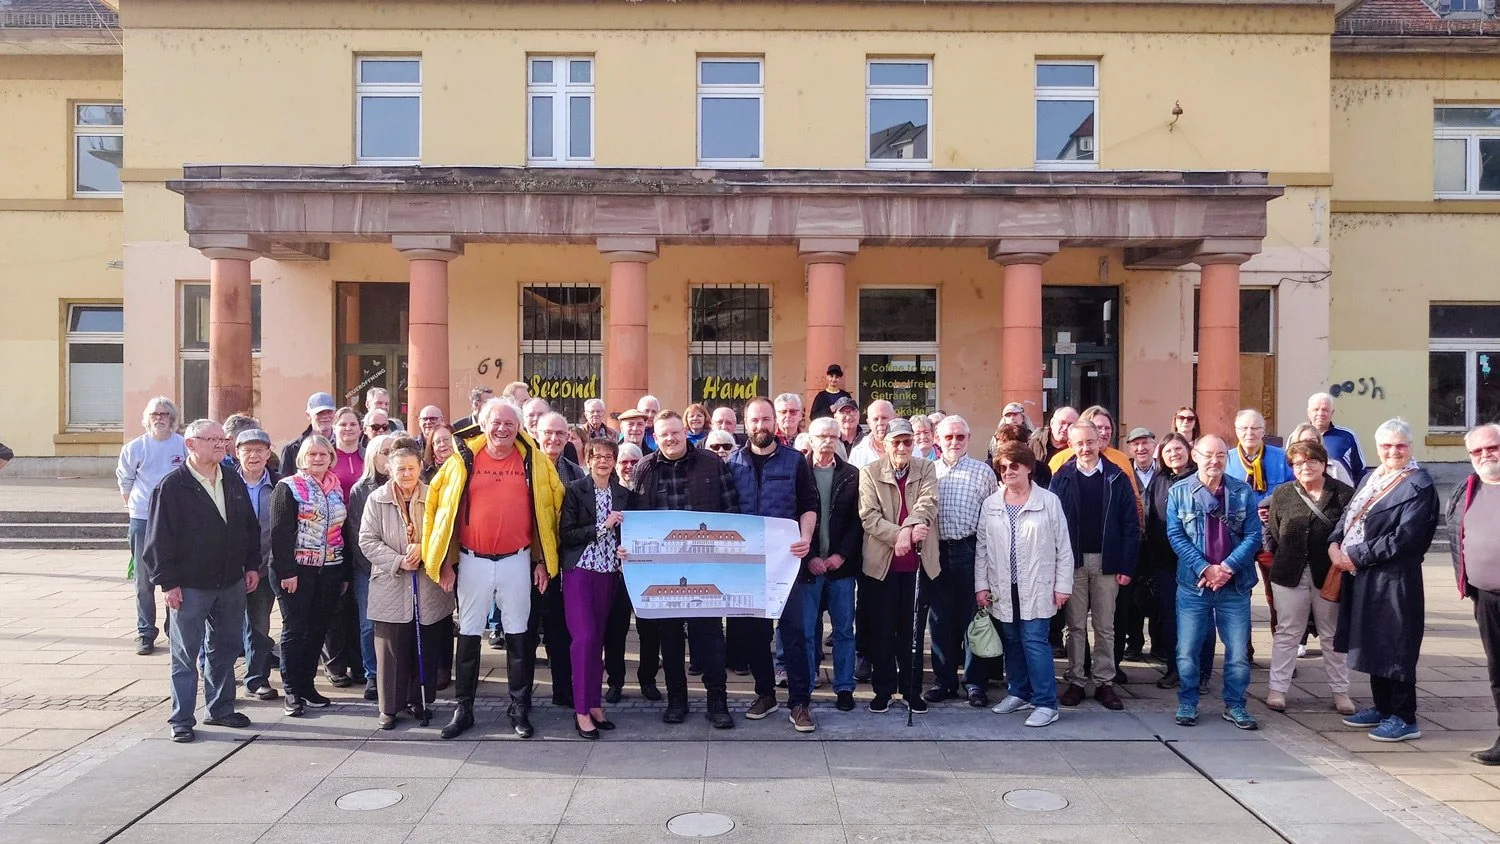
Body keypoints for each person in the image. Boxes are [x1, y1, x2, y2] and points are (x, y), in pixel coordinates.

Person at [423, 398, 564, 740]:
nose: (502, 429)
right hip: (473, 560)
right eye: (496, 423)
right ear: (483, 424)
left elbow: (550, 512)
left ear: (519, 427)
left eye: (509, 424)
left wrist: (544, 561)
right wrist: (444, 562)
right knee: (470, 634)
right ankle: (464, 708)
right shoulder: (462, 460)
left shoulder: (535, 461)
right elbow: (439, 510)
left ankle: (519, 706)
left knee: (519, 634)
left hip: (518, 559)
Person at [141, 419, 259, 743]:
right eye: (213, 440)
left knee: (224, 648)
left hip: (230, 583)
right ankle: (181, 719)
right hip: (189, 587)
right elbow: (157, 541)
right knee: (185, 654)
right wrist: (168, 584)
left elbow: (248, 526)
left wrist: (251, 565)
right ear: (191, 444)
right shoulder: (172, 486)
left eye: (223, 440)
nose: (222, 446)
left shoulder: (231, 478)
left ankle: (220, 708)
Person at [625, 410, 741, 727]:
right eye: (664, 435)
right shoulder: (645, 468)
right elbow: (634, 519)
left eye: (676, 433)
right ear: (656, 437)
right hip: (662, 570)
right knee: (671, 639)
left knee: (711, 637)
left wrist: (729, 559)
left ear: (683, 431)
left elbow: (732, 511)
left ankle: (718, 701)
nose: (671, 439)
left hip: (706, 566)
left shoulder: (711, 463)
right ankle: (677, 699)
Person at [1330, 418, 1438, 743]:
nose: (1393, 451)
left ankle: (1405, 717)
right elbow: (1348, 515)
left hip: (1395, 579)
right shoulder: (1371, 477)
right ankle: (1382, 707)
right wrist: (1335, 544)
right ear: (1378, 448)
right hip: (1364, 576)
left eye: (1400, 445)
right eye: (1387, 446)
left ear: (1410, 447)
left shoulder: (1419, 485)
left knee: (1396, 645)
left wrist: (1355, 555)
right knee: (1373, 642)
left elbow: (1404, 538)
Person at [726, 397, 818, 729]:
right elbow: (725, 513)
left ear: (774, 423)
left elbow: (809, 505)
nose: (761, 425)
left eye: (766, 419)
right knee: (754, 633)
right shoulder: (732, 463)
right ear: (745, 423)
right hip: (748, 565)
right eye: (754, 420)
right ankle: (765, 693)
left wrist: (806, 538)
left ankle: (800, 703)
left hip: (787, 564)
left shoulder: (795, 461)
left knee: (793, 632)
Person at [1167, 435, 1262, 730]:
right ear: (1195, 455)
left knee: (1237, 653)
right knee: (1187, 649)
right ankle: (1188, 701)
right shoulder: (1179, 491)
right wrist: (1205, 568)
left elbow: (1253, 536)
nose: (1214, 460)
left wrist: (1228, 567)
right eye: (1208, 454)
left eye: (1221, 454)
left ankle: (1235, 705)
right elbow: (1175, 535)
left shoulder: (1243, 491)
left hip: (1234, 586)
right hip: (1194, 585)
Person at [976, 441, 1072, 728]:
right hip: (1002, 586)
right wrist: (981, 585)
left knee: (1034, 642)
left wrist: (1062, 585)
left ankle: (1046, 703)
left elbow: (1063, 547)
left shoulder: (1048, 501)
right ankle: (1019, 692)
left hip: (1038, 584)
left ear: (1029, 467)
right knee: (1012, 642)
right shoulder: (992, 504)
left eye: (1014, 466)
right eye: (1002, 467)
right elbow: (982, 548)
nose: (1007, 471)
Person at [359, 437, 453, 729]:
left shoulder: (434, 495)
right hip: (391, 581)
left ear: (420, 467)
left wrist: (424, 549)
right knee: (391, 648)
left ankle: (419, 701)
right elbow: (367, 540)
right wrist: (398, 560)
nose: (406, 474)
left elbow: (445, 533)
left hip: (427, 583)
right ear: (389, 469)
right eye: (400, 469)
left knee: (423, 644)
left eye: (411, 468)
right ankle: (389, 708)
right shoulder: (377, 499)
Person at [1049, 419, 1140, 710]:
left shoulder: (1117, 476)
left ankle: (1104, 682)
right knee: (1074, 626)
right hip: (1072, 562)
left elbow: (1130, 524)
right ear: (1071, 446)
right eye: (1079, 444)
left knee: (1105, 625)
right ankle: (1075, 679)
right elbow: (1052, 524)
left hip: (1107, 561)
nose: (1086, 448)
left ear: (1100, 442)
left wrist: (1126, 565)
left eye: (1090, 442)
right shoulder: (1061, 476)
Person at [1264, 439, 1356, 715]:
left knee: (1331, 634)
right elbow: (1274, 532)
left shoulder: (1343, 494)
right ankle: (1277, 689)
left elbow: (1350, 531)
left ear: (1323, 463)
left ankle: (1341, 692)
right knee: (1287, 632)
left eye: (1311, 461)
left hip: (1328, 574)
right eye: (1298, 463)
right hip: (1288, 573)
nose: (1305, 467)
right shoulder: (1282, 494)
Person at [858, 418, 939, 714]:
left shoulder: (927, 468)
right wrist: (901, 535)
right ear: (885, 444)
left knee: (912, 632)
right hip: (882, 566)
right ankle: (882, 689)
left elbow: (928, 503)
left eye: (907, 441)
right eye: (897, 442)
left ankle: (911, 689)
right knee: (882, 631)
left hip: (917, 564)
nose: (902, 447)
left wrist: (909, 529)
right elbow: (869, 516)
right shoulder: (869, 472)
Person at [789, 417, 863, 722]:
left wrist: (840, 556)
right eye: (821, 436)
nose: (827, 441)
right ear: (810, 437)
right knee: (807, 632)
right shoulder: (797, 471)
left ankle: (844, 687)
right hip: (807, 566)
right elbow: (790, 516)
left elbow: (858, 521)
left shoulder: (851, 475)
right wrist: (809, 559)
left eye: (833, 436)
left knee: (844, 630)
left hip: (840, 568)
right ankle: (804, 690)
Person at [270, 435, 349, 718]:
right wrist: (287, 571)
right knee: (295, 629)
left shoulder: (335, 488)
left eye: (323, 454)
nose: (318, 459)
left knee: (318, 628)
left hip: (329, 569)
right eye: (312, 454)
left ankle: (307, 685)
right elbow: (279, 533)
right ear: (303, 458)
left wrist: (343, 571)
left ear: (331, 457)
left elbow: (343, 532)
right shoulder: (288, 487)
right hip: (298, 571)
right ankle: (291, 689)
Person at [559, 438, 630, 739]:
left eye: (608, 456)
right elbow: (567, 534)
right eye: (596, 456)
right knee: (584, 639)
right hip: (580, 572)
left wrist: (626, 547)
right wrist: (604, 527)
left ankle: (595, 704)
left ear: (615, 461)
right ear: (587, 460)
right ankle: (581, 711)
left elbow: (631, 532)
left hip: (608, 573)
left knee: (598, 641)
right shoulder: (576, 491)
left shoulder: (624, 495)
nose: (603, 461)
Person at [927, 415, 999, 707]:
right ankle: (944, 681)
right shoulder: (928, 471)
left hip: (971, 549)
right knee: (940, 620)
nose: (954, 442)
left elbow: (992, 517)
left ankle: (975, 683)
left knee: (974, 620)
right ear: (938, 440)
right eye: (948, 437)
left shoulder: (983, 472)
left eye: (960, 437)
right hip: (937, 551)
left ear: (968, 439)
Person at [118, 396, 187, 656]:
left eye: (164, 414)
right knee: (143, 580)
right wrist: (134, 507)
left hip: (176, 521)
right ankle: (146, 632)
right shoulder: (135, 447)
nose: (159, 418)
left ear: (172, 419)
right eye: (155, 414)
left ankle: (174, 629)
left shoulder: (183, 446)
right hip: (143, 520)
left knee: (175, 576)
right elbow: (125, 480)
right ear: (147, 419)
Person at [1450, 424, 1500, 765]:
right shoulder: (1467, 488)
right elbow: (1457, 536)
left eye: (1492, 447)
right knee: (1498, 672)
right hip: (1486, 597)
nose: (1485, 455)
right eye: (1477, 451)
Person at [1141, 432, 1202, 690]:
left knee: (1198, 617)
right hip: (1165, 562)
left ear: (1188, 451)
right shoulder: (1159, 481)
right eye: (1168, 451)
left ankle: (1200, 672)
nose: (1174, 454)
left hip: (1197, 562)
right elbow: (1149, 518)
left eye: (1178, 449)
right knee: (1169, 616)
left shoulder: (1199, 479)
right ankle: (1174, 668)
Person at [536, 411, 588, 706]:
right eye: (548, 433)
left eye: (559, 433)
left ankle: (563, 689)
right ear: (537, 434)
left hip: (566, 560)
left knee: (561, 629)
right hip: (535, 562)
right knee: (530, 629)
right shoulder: (527, 467)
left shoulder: (575, 472)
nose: (554, 438)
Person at [343, 435, 392, 701]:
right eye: (384, 452)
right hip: (368, 567)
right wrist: (377, 564)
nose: (388, 456)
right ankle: (373, 674)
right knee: (368, 624)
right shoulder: (361, 489)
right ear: (373, 456)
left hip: (400, 567)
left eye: (392, 451)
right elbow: (356, 535)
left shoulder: (404, 483)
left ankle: (396, 673)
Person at [234, 428, 282, 701]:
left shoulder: (279, 484)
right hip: (229, 569)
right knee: (223, 628)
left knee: (258, 627)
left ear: (268, 452)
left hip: (266, 568)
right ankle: (215, 675)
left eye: (259, 450)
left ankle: (256, 678)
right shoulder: (226, 482)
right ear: (236, 452)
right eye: (247, 450)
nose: (253, 455)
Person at [323, 406, 368, 688]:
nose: (349, 429)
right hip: (333, 536)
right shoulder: (326, 458)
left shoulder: (368, 457)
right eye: (343, 425)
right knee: (336, 604)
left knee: (359, 604)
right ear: (334, 429)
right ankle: (334, 664)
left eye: (353, 424)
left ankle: (359, 662)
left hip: (364, 537)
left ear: (360, 429)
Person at [606, 442, 647, 703]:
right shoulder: (609, 493)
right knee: (615, 630)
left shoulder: (646, 493)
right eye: (624, 462)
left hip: (646, 571)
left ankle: (648, 680)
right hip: (617, 572)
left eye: (635, 462)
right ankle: (615, 682)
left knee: (649, 630)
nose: (629, 466)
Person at [1117, 427, 1158, 666]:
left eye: (1146, 443)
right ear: (1129, 448)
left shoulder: (1163, 472)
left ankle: (1159, 644)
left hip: (1157, 542)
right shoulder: (1124, 471)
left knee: (1156, 594)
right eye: (1136, 444)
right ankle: (1134, 643)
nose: (1141, 448)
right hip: (1133, 542)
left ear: (1154, 445)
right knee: (1130, 596)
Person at [1307, 392, 1367, 485]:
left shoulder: (1347, 437)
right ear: (1308, 413)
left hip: (1342, 496)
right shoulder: (1298, 437)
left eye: (1325, 410)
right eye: (1316, 409)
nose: (1320, 413)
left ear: (1332, 413)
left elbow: (1360, 472)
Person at [279, 392, 337, 478]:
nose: (325, 416)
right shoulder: (292, 449)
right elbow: (283, 484)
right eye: (320, 413)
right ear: (308, 415)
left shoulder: (344, 445)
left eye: (329, 412)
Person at [1288, 423, 1354, 486]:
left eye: (1313, 441)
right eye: (1304, 441)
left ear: (1319, 442)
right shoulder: (1288, 467)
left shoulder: (1335, 467)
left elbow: (1350, 494)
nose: (1309, 445)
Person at [848, 400, 896, 468]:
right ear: (869, 423)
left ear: (894, 418)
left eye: (884, 418)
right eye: (875, 419)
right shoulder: (858, 452)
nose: (880, 423)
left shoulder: (909, 447)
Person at [1028, 406, 1077, 470]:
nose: (1065, 428)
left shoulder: (1077, 449)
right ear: (1052, 423)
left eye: (1070, 425)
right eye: (1062, 423)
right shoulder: (1034, 444)